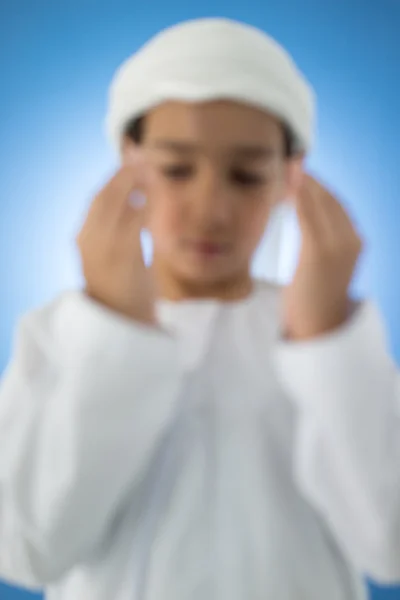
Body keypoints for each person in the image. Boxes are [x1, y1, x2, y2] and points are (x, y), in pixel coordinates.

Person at [0, 17, 399, 600]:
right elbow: (24, 549)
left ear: (290, 178)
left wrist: (325, 340)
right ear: (128, 162)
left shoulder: (321, 338)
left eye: (245, 175)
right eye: (176, 169)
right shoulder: (62, 332)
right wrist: (115, 333)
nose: (210, 208)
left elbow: (390, 547)